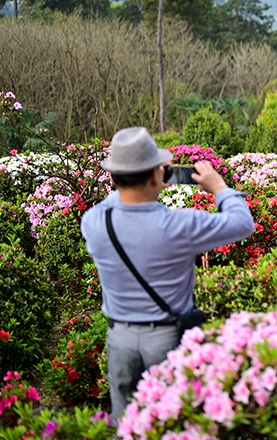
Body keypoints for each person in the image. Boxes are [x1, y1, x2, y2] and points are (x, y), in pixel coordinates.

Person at [81, 127, 255, 423]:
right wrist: (219, 187)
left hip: (119, 339)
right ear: (155, 176)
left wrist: (138, 176)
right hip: (166, 340)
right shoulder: (179, 225)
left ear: (113, 177)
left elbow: (117, 199)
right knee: (173, 421)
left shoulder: (94, 221)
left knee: (126, 424)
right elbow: (242, 222)